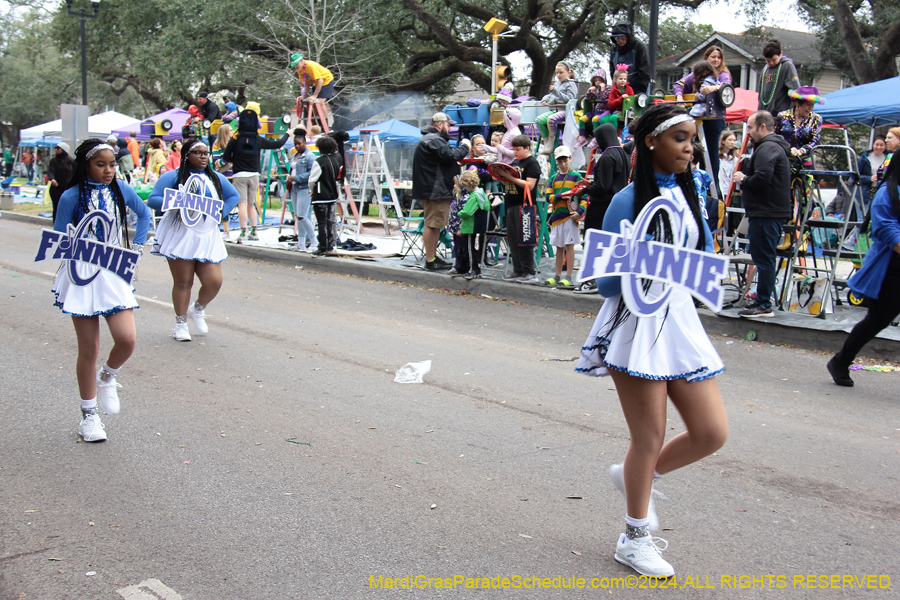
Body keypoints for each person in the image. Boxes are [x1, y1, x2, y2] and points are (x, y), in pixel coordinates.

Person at [575, 103, 727, 578]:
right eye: (680, 137)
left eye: (692, 138)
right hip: (635, 324)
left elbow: (702, 254)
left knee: (711, 432)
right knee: (649, 435)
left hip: (680, 321)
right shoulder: (625, 201)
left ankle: (634, 477)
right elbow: (604, 284)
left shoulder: (696, 189)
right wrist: (641, 266)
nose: (689, 146)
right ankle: (634, 537)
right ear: (651, 143)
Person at [51, 139, 152, 442]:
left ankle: (108, 376)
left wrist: (136, 245)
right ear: (86, 166)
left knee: (127, 339)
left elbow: (145, 214)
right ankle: (89, 416)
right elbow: (58, 235)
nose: (109, 170)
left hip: (113, 272)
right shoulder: (71, 197)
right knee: (89, 348)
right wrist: (73, 245)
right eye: (101, 164)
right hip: (81, 275)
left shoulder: (121, 190)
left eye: (112, 164)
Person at [147, 138, 240, 341]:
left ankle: (197, 309)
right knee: (183, 282)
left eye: (206, 152)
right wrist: (178, 202)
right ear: (187, 155)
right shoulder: (172, 176)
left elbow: (234, 196)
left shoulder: (215, 177)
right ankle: (180, 324)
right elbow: (153, 199)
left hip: (207, 235)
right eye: (198, 152)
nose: (203, 156)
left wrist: (219, 212)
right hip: (182, 234)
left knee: (214, 281)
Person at [827, 157, 900, 387]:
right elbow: (885, 229)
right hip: (889, 270)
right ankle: (841, 361)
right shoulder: (886, 193)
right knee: (876, 321)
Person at [732, 110, 792, 318]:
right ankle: (763, 299)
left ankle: (763, 303)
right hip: (768, 210)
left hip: (766, 211)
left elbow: (762, 178)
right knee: (764, 257)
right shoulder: (773, 147)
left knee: (764, 258)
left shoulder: (767, 148)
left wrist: (743, 179)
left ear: (762, 127)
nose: (748, 132)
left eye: (750, 127)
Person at [410, 112, 471, 270]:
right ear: (439, 125)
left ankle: (433, 258)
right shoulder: (433, 139)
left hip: (433, 189)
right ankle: (431, 260)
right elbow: (450, 155)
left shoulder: (431, 139)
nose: (450, 128)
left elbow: (444, 159)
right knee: (432, 224)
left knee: (435, 224)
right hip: (434, 190)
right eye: (448, 125)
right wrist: (465, 146)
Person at [574, 123, 629, 294]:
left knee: (593, 241)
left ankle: (591, 281)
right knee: (612, 244)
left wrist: (584, 190)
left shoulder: (606, 157)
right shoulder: (623, 154)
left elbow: (603, 187)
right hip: (617, 205)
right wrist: (592, 183)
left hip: (600, 206)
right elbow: (614, 182)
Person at [221, 108, 290, 243]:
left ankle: (243, 232)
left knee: (242, 204)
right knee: (251, 204)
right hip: (254, 174)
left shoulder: (235, 139)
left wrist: (236, 160)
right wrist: (287, 133)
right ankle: (254, 231)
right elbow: (278, 144)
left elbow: (225, 156)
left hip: (239, 174)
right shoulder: (258, 139)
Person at [674, 46, 733, 182]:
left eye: (719, 57)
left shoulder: (722, 74)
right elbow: (679, 84)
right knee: (692, 148)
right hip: (696, 117)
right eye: (713, 57)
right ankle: (688, 180)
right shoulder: (698, 72)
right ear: (706, 58)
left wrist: (713, 88)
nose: (716, 60)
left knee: (711, 152)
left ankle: (711, 185)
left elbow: (726, 86)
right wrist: (679, 97)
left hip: (713, 118)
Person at [497, 134, 541, 283]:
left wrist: (510, 178)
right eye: (513, 149)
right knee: (513, 239)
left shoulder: (532, 163)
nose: (515, 152)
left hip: (525, 206)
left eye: (518, 149)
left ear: (527, 148)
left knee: (525, 239)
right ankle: (518, 269)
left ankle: (529, 271)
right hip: (511, 204)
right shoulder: (516, 161)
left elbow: (530, 185)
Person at [544, 146, 584, 288]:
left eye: (565, 160)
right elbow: (548, 197)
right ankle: (557, 275)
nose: (562, 164)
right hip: (556, 217)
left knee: (569, 246)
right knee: (559, 247)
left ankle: (568, 277)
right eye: (560, 161)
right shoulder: (554, 178)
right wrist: (562, 196)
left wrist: (579, 212)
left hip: (570, 217)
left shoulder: (576, 176)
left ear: (570, 159)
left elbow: (584, 196)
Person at [308, 135, 342, 256]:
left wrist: (311, 190)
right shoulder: (335, 160)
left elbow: (312, 179)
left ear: (320, 148)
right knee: (330, 221)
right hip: (332, 194)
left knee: (321, 222)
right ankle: (330, 246)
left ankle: (322, 247)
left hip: (321, 195)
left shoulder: (319, 161)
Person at [536, 62, 579, 155]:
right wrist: (545, 99)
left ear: (568, 72)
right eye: (557, 73)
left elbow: (569, 99)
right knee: (539, 120)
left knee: (551, 119)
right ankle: (547, 142)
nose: (558, 75)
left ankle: (552, 141)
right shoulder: (557, 83)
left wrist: (555, 92)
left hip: (565, 112)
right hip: (553, 110)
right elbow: (551, 95)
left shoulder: (571, 84)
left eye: (561, 72)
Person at [455, 169, 490, 279]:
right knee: (470, 248)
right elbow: (488, 206)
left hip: (470, 226)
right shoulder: (482, 193)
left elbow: (467, 212)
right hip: (479, 225)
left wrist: (459, 213)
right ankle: (471, 268)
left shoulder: (473, 196)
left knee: (469, 249)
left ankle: (473, 269)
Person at [775, 86, 824, 162]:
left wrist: (801, 151)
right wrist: (788, 149)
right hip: (784, 160)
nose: (811, 108)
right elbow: (776, 137)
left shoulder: (816, 119)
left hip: (806, 161)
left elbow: (815, 140)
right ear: (798, 103)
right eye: (808, 105)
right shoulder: (782, 116)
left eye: (813, 105)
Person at [757, 39, 800, 117]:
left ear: (780, 53)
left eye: (774, 60)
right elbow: (761, 94)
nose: (771, 63)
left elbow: (796, 90)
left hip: (780, 116)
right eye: (768, 60)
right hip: (764, 115)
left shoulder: (787, 66)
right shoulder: (765, 69)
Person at [290, 53, 335, 127]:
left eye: (296, 64)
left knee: (320, 102)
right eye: (294, 65)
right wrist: (303, 95)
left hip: (326, 80)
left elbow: (320, 81)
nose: (295, 66)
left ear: (301, 61)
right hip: (316, 83)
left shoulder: (310, 66)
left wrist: (314, 95)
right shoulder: (300, 70)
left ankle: (326, 126)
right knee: (314, 104)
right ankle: (320, 126)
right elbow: (306, 83)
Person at [289, 130, 316, 250]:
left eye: (299, 143)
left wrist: (296, 177)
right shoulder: (295, 156)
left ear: (305, 142)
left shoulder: (310, 156)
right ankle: (301, 243)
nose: (297, 146)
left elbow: (311, 173)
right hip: (294, 188)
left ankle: (314, 240)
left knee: (302, 216)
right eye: (295, 144)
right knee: (297, 216)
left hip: (304, 188)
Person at [608, 20, 650, 94]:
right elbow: (612, 70)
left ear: (628, 36)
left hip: (638, 89)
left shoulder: (639, 47)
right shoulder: (614, 49)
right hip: (620, 89)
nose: (620, 40)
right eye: (617, 38)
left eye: (623, 37)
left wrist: (641, 92)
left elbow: (644, 70)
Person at [575, 68, 610, 149]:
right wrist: (589, 92)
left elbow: (603, 97)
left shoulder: (607, 88)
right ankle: (582, 138)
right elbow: (588, 99)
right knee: (582, 119)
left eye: (600, 80)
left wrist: (602, 89)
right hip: (595, 111)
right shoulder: (595, 89)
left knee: (595, 119)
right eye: (596, 81)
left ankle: (596, 137)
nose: (598, 82)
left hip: (603, 111)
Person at [211, 123, 235, 238]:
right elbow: (216, 163)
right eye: (230, 130)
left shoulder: (234, 143)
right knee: (222, 202)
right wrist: (227, 159)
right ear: (225, 133)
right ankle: (225, 229)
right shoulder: (216, 145)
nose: (233, 131)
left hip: (235, 176)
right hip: (223, 177)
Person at [47, 142, 74, 221]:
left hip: (67, 188)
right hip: (56, 188)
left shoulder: (71, 161)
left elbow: (76, 173)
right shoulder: (54, 161)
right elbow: (50, 171)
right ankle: (56, 224)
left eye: (58, 148)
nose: (56, 150)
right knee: (56, 207)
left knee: (67, 207)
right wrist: (52, 179)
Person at [858, 136, 886, 204]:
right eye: (877, 145)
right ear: (873, 145)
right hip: (865, 193)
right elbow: (855, 176)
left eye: (881, 145)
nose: (879, 147)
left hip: (882, 191)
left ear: (885, 146)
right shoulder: (864, 158)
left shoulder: (889, 157)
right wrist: (869, 178)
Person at [717, 130, 739, 201]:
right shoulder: (718, 158)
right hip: (720, 190)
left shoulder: (734, 160)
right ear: (723, 141)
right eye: (730, 140)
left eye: (734, 140)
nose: (732, 142)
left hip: (729, 191)